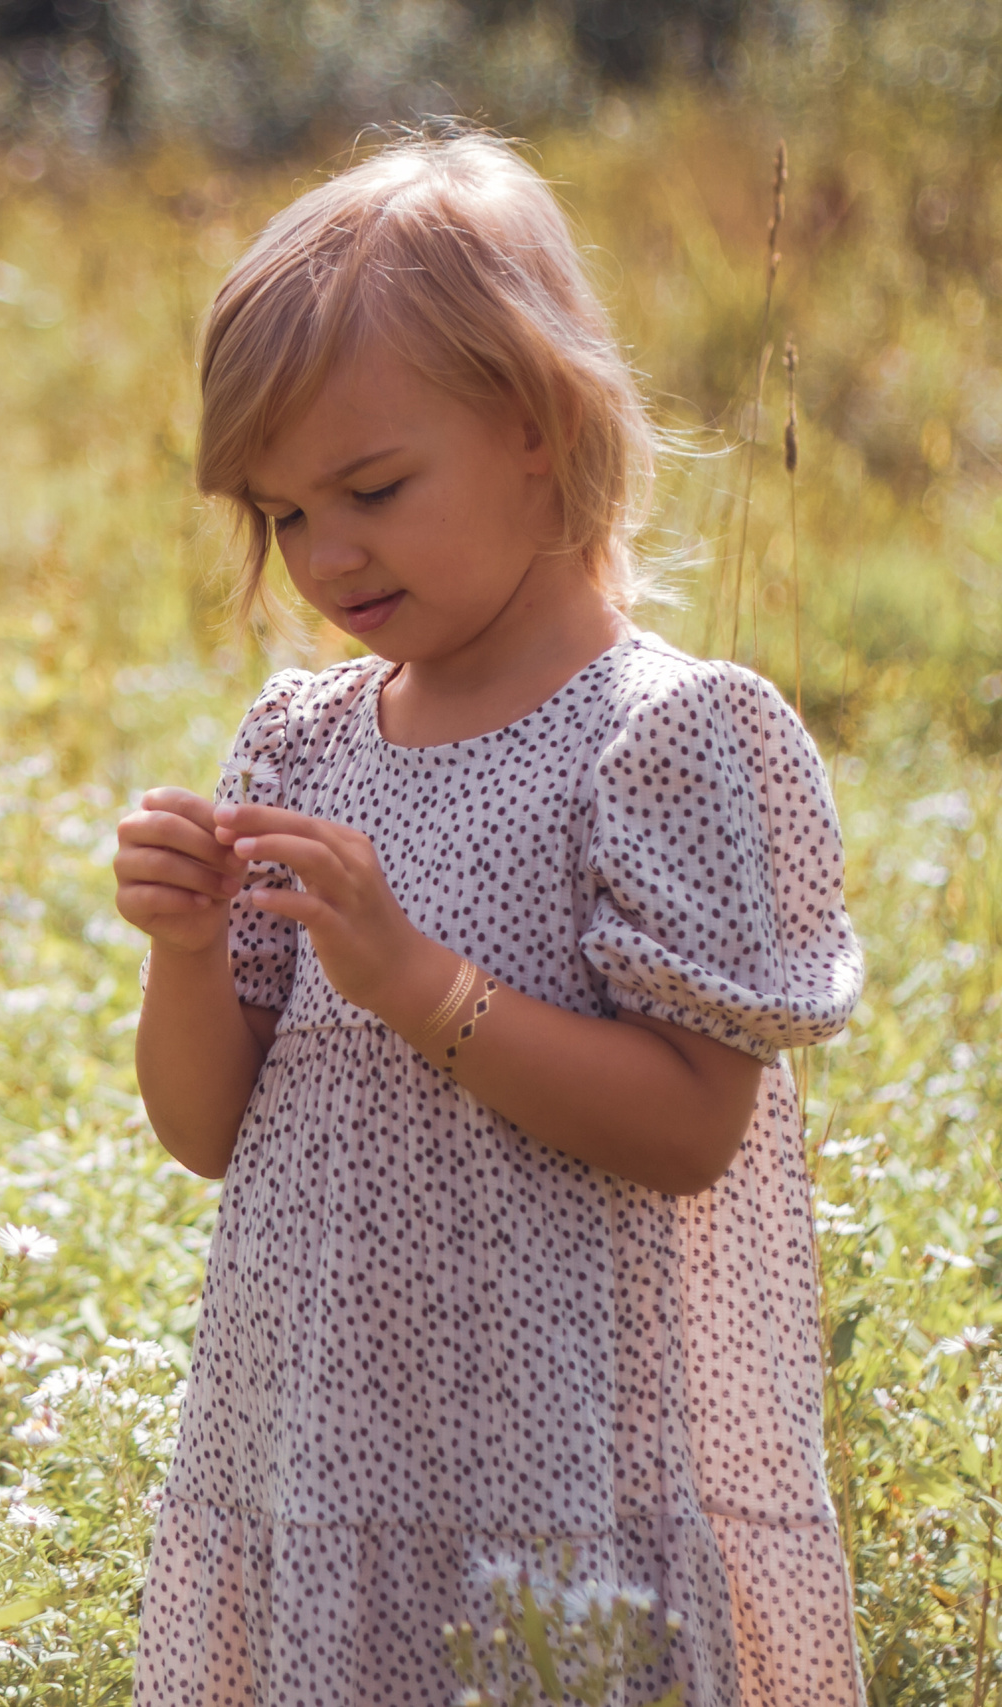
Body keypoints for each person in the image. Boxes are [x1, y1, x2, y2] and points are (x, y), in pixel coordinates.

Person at [111, 130, 865, 1705]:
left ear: (538, 421)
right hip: (328, 1453)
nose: (326, 557)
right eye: (281, 516)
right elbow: (206, 1126)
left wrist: (415, 982)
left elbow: (688, 1132)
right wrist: (189, 953)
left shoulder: (663, 740)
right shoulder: (306, 743)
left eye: (372, 490)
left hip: (566, 1480)